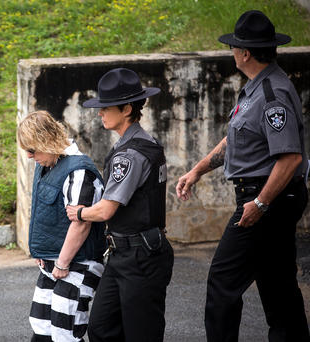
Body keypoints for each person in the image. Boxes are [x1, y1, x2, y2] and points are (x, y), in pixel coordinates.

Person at [175, 10, 310, 342]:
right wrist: (197, 170)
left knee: (222, 283)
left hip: (266, 199)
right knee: (277, 285)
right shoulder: (256, 89)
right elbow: (234, 140)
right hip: (266, 197)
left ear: (245, 53)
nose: (232, 51)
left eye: (234, 46)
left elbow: (291, 157)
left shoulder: (271, 95)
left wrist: (261, 203)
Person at [66, 68, 174, 341]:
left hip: (140, 256)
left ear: (126, 109)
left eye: (106, 108)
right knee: (102, 327)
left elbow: (105, 210)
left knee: (141, 334)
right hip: (125, 254)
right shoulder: (142, 143)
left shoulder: (130, 154)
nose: (100, 113)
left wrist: (79, 212)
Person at [17, 110, 106, 342]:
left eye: (32, 150)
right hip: (54, 261)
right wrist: (43, 252)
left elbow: (81, 224)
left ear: (47, 140)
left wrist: (62, 262)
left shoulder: (78, 171)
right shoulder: (48, 163)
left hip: (77, 263)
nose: (28, 156)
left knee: (64, 332)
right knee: (41, 325)